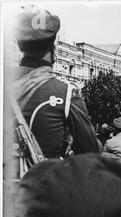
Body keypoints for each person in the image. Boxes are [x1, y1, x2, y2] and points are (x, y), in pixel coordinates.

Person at [11, 6, 99, 160]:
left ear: (19, 46)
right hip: (45, 181)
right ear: (53, 48)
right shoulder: (65, 94)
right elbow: (90, 156)